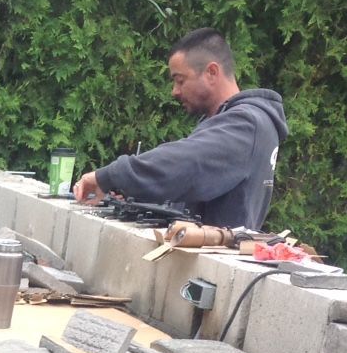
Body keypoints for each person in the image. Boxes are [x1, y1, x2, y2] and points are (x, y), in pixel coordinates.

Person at [73, 28, 288, 230]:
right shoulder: (235, 123)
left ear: (212, 72)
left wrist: (109, 176)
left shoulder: (246, 125)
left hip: (212, 266)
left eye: (180, 80)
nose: (174, 91)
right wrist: (133, 195)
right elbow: (195, 190)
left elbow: (183, 164)